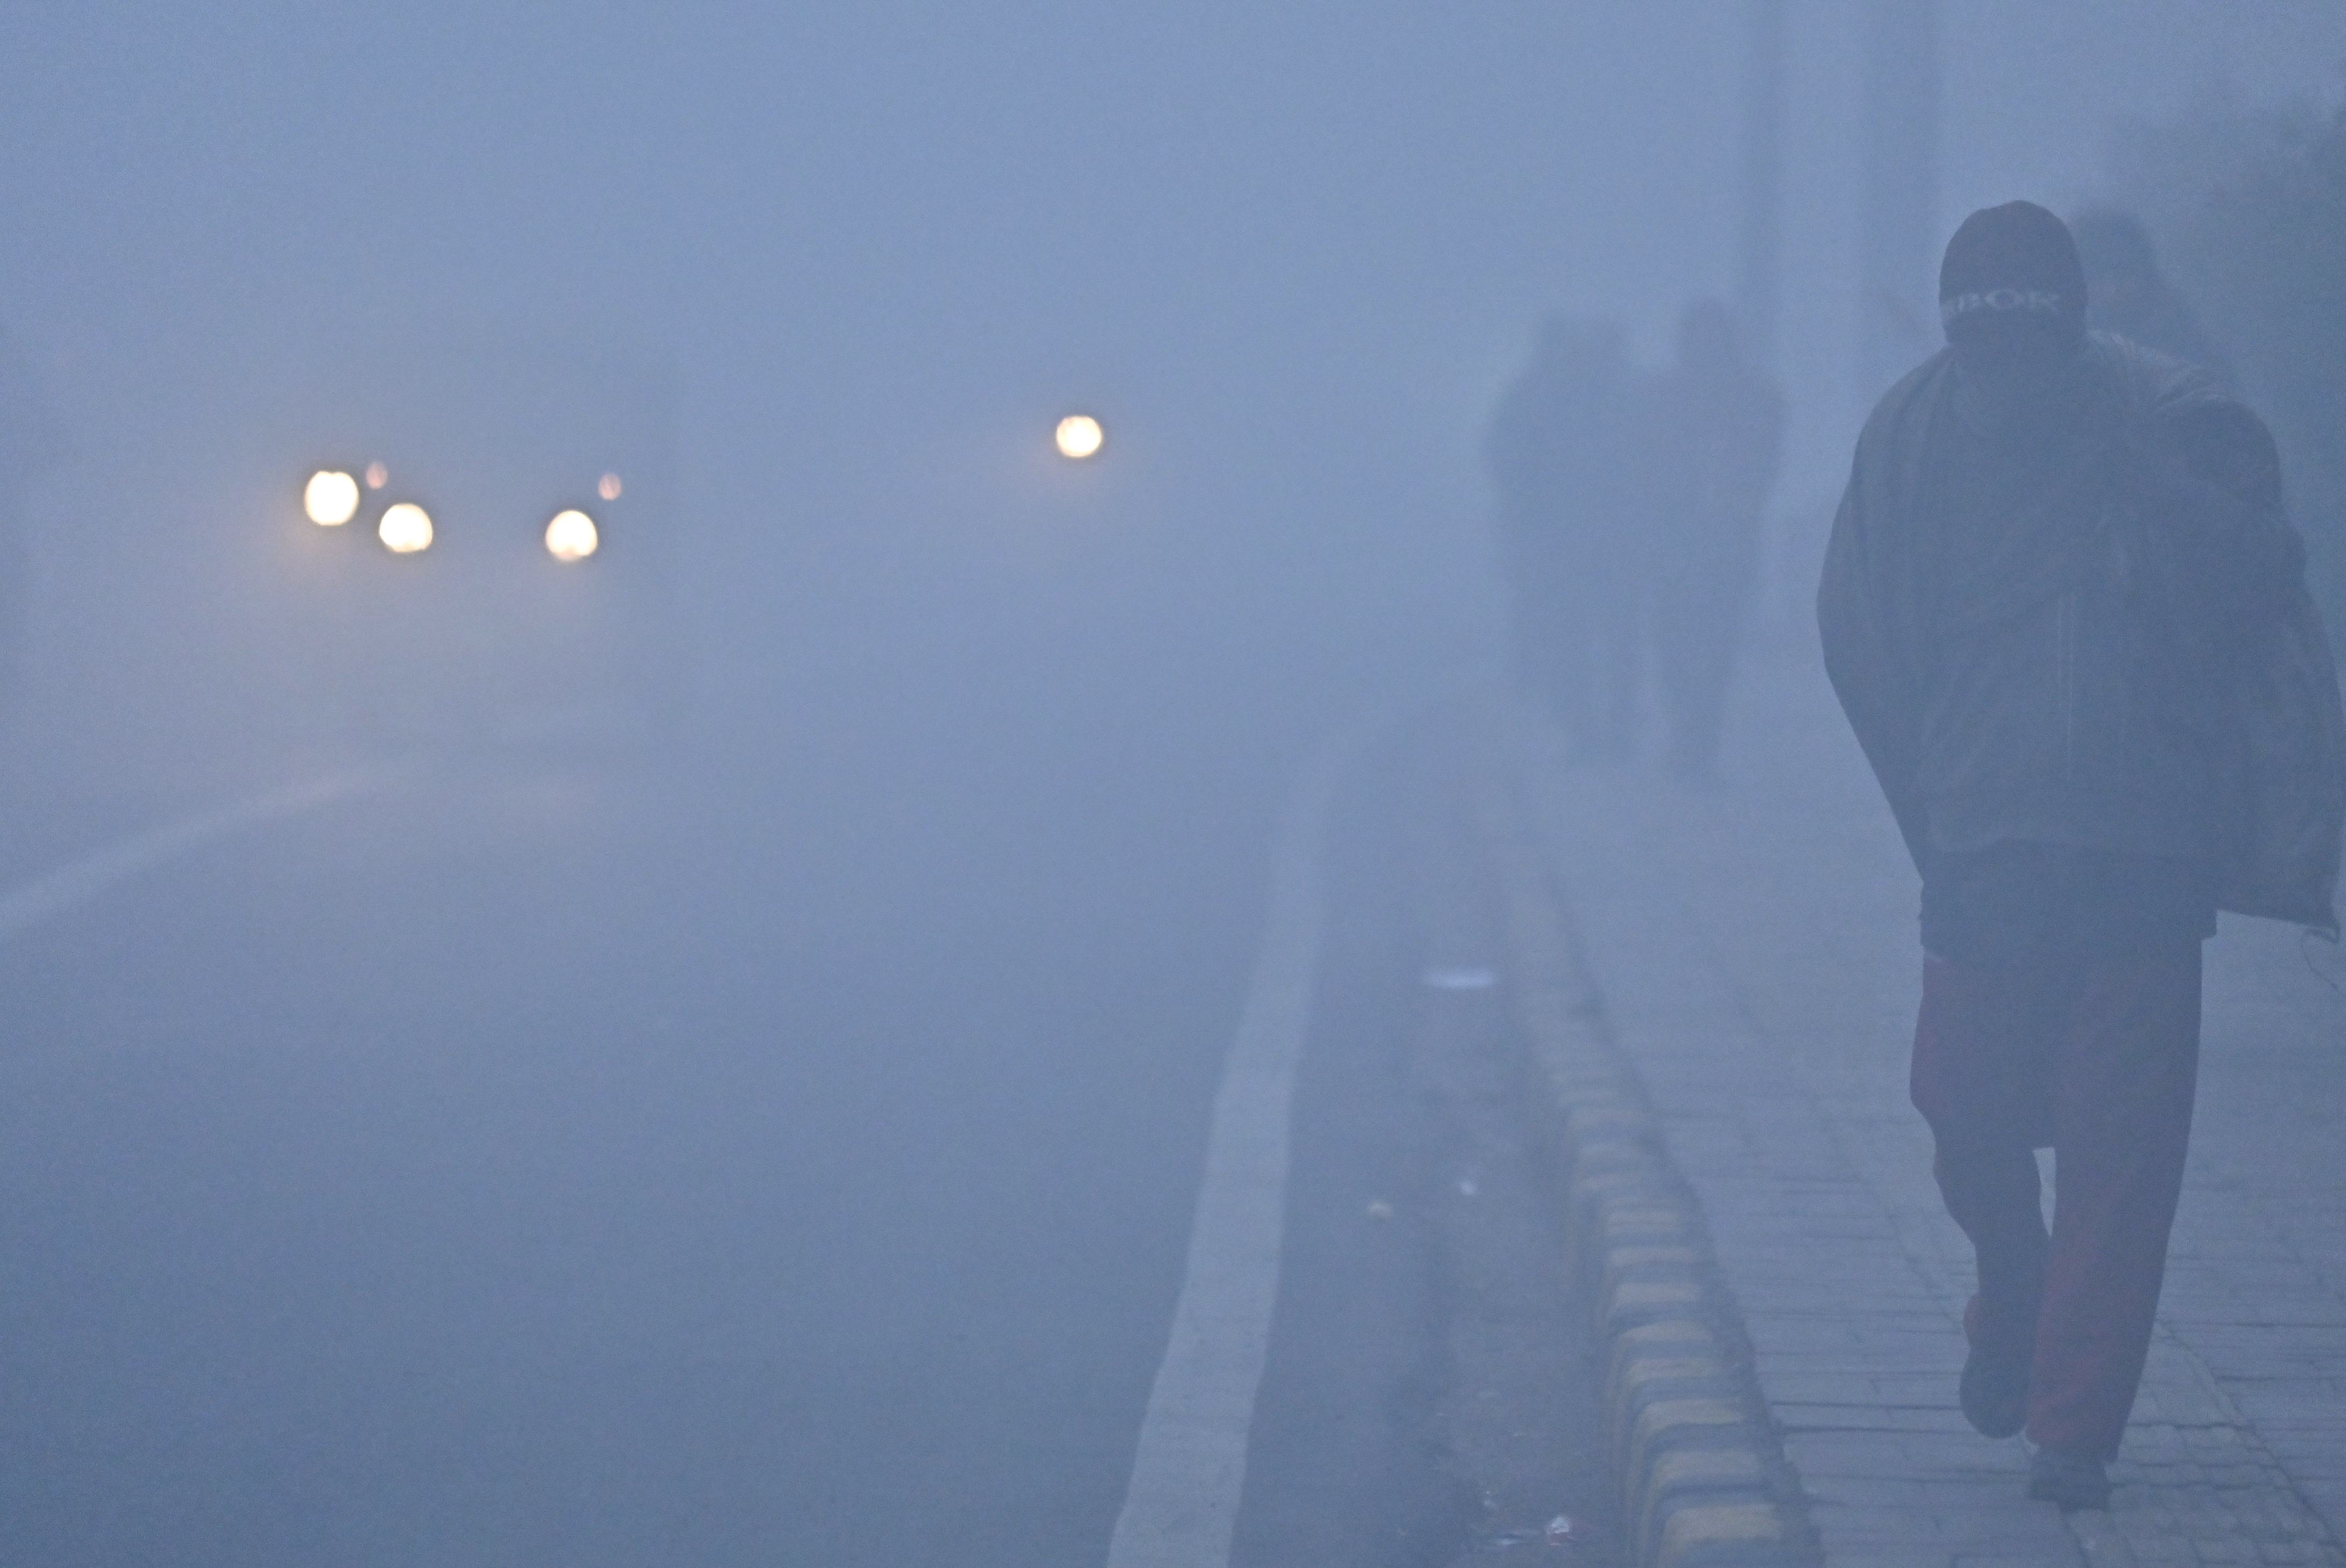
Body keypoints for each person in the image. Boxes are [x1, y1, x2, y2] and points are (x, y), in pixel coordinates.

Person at [1817, 202, 2345, 1510]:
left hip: (2142, 844)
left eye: (2030, 346)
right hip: (1982, 838)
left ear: (2073, 328)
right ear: (1953, 337)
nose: (2006, 377)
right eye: (1982, 347)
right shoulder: (1910, 433)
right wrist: (1928, 799)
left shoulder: (2172, 416)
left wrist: (2146, 485)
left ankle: (2073, 1425)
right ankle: (2013, 1282)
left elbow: (2259, 586)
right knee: (1962, 1111)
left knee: (2120, 1155)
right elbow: (1860, 630)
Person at [1486, 318, 1644, 759]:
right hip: (1565, 542)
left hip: (1599, 541)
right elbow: (1504, 464)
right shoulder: (1530, 400)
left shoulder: (1620, 400)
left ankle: (1604, 729)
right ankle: (1589, 731)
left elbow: (1649, 465)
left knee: (1601, 640)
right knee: (1579, 639)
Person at [1646, 301, 1783, 781]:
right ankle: (1688, 730)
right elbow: (1641, 464)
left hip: (1729, 541)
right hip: (1673, 539)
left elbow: (1763, 466)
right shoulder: (1662, 397)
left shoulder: (1757, 398)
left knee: (1717, 644)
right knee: (1674, 642)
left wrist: (1734, 497)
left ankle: (1699, 739)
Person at [2069, 208, 2235, 388]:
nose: (2113, 290)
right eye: (2099, 277)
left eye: (2124, 274)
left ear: (2146, 275)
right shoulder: (2064, 343)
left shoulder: (2182, 339)